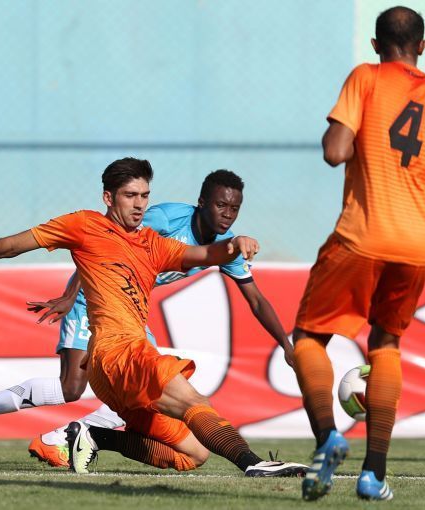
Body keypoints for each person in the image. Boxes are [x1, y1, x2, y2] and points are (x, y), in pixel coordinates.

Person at [0, 157, 304, 477]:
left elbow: (205, 256)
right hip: (112, 343)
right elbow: (12, 245)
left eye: (145, 196)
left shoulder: (153, 244)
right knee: (178, 397)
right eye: (131, 195)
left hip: (126, 347)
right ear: (108, 197)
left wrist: (234, 246)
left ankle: (92, 436)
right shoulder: (90, 225)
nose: (139, 205)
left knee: (193, 454)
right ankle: (253, 463)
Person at [291, 6, 425, 501]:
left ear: (376, 45)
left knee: (308, 336)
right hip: (417, 249)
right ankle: (373, 474)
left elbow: (335, 151)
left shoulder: (366, 78)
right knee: (386, 344)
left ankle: (328, 436)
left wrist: (350, 135)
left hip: (362, 237)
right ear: (423, 46)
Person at [23, 170, 296, 468]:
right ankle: (24, 425)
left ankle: (90, 436)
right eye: (221, 205)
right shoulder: (167, 219)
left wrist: (286, 345)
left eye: (234, 208)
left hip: (130, 313)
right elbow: (104, 243)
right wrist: (69, 294)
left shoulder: (225, 247)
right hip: (91, 299)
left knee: (187, 447)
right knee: (74, 387)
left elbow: (256, 300)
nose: (227, 214)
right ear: (201, 202)